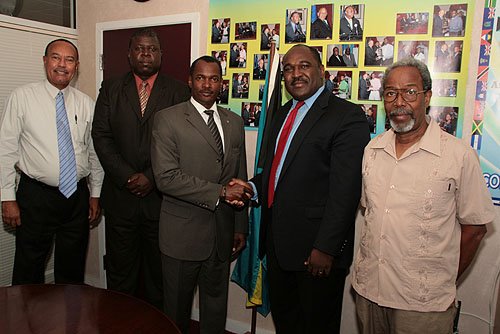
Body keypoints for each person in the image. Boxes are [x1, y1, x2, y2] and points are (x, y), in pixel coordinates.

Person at [352, 57, 496, 334]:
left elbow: (475, 229)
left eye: (410, 92)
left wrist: (440, 280)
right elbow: (371, 212)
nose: (399, 102)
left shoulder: (458, 155)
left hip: (423, 304)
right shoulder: (372, 150)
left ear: (427, 97)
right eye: (391, 93)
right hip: (370, 290)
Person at [234, 44, 370, 333]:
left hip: (316, 254)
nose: (296, 74)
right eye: (288, 68)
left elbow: (345, 191)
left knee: (317, 327)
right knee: (288, 324)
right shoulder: (282, 114)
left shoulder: (346, 116)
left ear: (322, 71)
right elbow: (276, 174)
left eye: (304, 66)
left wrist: (325, 247)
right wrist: (251, 187)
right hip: (279, 247)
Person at [91, 28, 190, 310]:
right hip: (121, 200)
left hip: (162, 201)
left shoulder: (179, 91)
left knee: (160, 275)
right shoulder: (110, 88)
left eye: (152, 49)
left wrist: (151, 177)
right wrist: (127, 176)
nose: (145, 54)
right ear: (129, 54)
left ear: (161, 54)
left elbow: (182, 144)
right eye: (139, 48)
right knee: (121, 273)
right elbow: (101, 135)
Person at [151, 55, 250, 334]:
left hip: (221, 233)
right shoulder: (168, 119)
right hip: (181, 236)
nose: (207, 84)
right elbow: (166, 178)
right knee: (176, 312)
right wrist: (219, 191)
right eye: (201, 77)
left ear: (222, 83)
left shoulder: (234, 122)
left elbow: (238, 176)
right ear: (190, 80)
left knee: (215, 310)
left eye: (214, 78)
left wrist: (240, 225)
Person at [0, 39, 104, 285]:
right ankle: (26, 324)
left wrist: (95, 194)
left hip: (76, 198)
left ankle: (68, 323)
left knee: (71, 270)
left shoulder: (86, 103)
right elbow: (5, 150)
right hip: (35, 197)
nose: (62, 65)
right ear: (45, 61)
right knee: (29, 269)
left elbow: (94, 153)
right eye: (56, 58)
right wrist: (7, 198)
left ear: (76, 66)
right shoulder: (22, 97)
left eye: (69, 60)